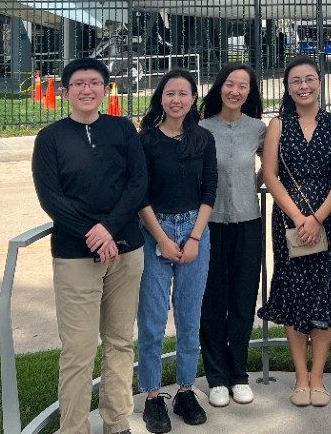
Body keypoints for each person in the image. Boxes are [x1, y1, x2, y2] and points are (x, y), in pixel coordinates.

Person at [31, 58, 147, 434]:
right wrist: (93, 234)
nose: (86, 90)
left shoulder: (123, 129)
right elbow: (52, 198)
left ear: (105, 89)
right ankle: (74, 427)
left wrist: (109, 229)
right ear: (65, 91)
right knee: (78, 350)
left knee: (119, 341)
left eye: (94, 83)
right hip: (75, 255)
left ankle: (117, 422)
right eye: (78, 83)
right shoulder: (50, 138)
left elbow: (137, 183)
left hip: (126, 250)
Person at [258, 56, 331, 408]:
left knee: (322, 291)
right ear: (287, 87)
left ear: (319, 82)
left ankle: (318, 377)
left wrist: (317, 218)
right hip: (288, 220)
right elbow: (270, 176)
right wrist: (299, 218)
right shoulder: (278, 126)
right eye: (296, 80)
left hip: (328, 220)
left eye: (309, 78)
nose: (304, 86)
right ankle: (300, 376)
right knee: (294, 292)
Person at [137, 69, 217, 433]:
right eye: (170, 93)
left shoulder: (203, 139)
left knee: (189, 318)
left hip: (194, 230)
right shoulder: (147, 141)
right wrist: (162, 239)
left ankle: (185, 389)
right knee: (153, 321)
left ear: (193, 99)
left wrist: (195, 238)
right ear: (161, 98)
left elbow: (209, 191)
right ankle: (153, 396)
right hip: (156, 230)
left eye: (184, 93)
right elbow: (140, 194)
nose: (177, 100)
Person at [197, 64, 267, 408]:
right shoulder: (200, 128)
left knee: (242, 299)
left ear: (250, 92)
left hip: (247, 223)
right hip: (208, 226)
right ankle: (216, 377)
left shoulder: (259, 129)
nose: (235, 91)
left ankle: (238, 373)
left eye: (243, 86)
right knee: (212, 301)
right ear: (219, 87)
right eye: (230, 84)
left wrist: (249, 189)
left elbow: (271, 169)